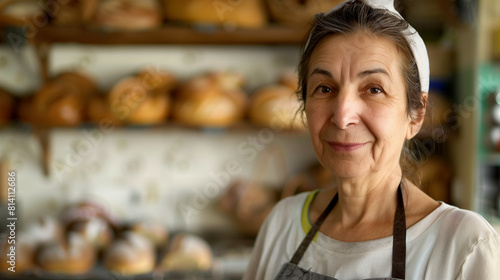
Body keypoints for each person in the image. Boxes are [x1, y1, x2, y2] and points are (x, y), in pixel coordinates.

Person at [242, 0, 500, 279]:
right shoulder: (283, 222)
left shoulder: (462, 245)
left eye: (374, 89)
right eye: (325, 88)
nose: (342, 117)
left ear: (416, 114)